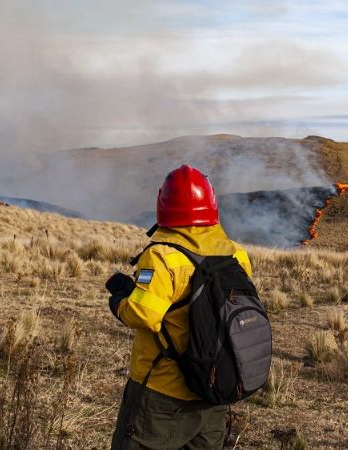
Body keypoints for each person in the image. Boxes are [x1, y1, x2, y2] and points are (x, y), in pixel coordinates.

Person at [106, 164, 253, 450]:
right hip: (215, 387)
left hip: (163, 392)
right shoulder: (237, 254)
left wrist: (120, 301)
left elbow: (144, 314)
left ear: (163, 204)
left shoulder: (162, 256)